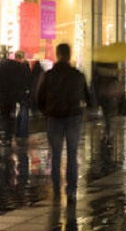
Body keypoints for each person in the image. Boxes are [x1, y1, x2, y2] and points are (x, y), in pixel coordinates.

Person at [37, 43, 91, 203]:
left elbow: (39, 97)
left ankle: (55, 189)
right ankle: (72, 189)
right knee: (72, 153)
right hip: (73, 117)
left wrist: (46, 111)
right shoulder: (77, 75)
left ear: (57, 54)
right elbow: (88, 96)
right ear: (69, 55)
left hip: (54, 118)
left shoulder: (49, 75)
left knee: (55, 154)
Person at [0, 49, 31, 145]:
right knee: (10, 116)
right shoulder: (17, 66)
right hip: (13, 94)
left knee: (5, 116)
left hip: (3, 95)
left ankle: (7, 137)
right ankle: (10, 136)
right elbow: (22, 80)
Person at [93, 61, 124, 141]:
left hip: (104, 91)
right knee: (109, 112)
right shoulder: (112, 66)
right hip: (110, 92)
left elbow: (96, 79)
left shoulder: (99, 67)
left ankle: (107, 131)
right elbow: (116, 78)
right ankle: (109, 131)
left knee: (106, 112)